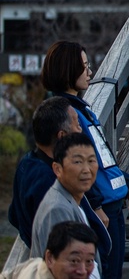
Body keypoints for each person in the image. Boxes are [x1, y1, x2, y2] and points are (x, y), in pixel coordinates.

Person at [39, 42, 129, 279]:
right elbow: (77, 164)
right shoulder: (67, 114)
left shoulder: (83, 110)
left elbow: (102, 155)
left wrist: (127, 182)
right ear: (67, 70)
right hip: (102, 206)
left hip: (113, 202)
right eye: (83, 67)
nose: (90, 72)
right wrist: (94, 206)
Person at [29, 134, 112, 269]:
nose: (86, 170)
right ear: (57, 169)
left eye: (91, 161)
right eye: (77, 162)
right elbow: (61, 269)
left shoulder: (74, 197)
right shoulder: (57, 209)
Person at [8, 98, 82, 247]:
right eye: (77, 124)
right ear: (62, 135)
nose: (80, 130)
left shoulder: (27, 162)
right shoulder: (48, 181)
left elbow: (13, 215)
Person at [9, 221, 99, 279]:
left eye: (89, 261)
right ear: (50, 258)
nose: (82, 271)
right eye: (74, 261)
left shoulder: (36, 265)